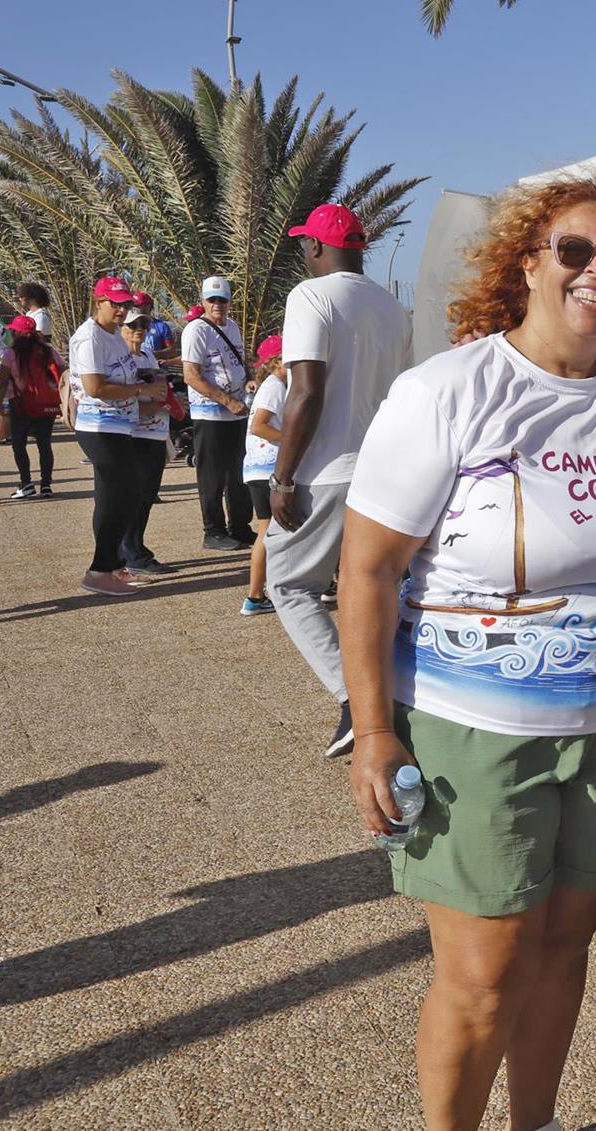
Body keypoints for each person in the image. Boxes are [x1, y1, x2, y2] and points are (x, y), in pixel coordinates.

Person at [340, 173, 596, 1131]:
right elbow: (365, 573)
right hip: (475, 729)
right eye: (574, 251)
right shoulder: (449, 390)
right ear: (529, 261)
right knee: (484, 973)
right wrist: (373, 730)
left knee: (568, 944)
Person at [268, 203, 413, 760]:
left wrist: (282, 479)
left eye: (304, 244)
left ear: (316, 249)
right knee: (370, 586)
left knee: (289, 584)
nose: (303, 253)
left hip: (325, 471)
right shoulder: (392, 306)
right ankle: (392, 697)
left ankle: (357, 699)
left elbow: (306, 390)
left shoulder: (311, 296)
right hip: (381, 470)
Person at [70, 276, 169, 596]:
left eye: (126, 303)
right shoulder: (90, 338)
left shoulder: (112, 334)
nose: (122, 309)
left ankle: (110, 566)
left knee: (120, 496)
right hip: (99, 426)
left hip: (121, 425)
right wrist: (142, 389)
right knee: (121, 495)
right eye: (115, 303)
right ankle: (99, 571)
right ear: (98, 302)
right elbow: (95, 388)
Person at [182, 275, 255, 551]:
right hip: (210, 415)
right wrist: (226, 400)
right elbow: (191, 375)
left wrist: (248, 380)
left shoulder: (233, 327)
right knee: (212, 475)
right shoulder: (196, 330)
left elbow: (238, 362)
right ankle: (213, 530)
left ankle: (240, 525)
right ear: (203, 301)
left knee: (238, 473)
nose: (217, 305)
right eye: (212, 300)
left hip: (236, 413)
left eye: (222, 300)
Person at [118, 309, 175, 576]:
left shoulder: (147, 355)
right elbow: (121, 397)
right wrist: (156, 404)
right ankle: (129, 551)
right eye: (133, 324)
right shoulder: (120, 357)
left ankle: (135, 546)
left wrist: (170, 401)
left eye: (144, 323)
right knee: (134, 495)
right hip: (133, 434)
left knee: (147, 495)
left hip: (155, 433)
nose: (139, 328)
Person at [241, 336, 286, 616]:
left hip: (258, 468)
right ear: (276, 363)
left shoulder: (275, 386)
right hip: (266, 468)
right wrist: (294, 440)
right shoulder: (274, 387)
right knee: (268, 533)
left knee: (268, 533)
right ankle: (255, 595)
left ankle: (259, 594)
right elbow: (259, 426)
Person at [0, 314, 62, 497]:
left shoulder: (10, 353)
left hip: (20, 404)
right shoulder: (48, 350)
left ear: (16, 333)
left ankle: (26, 483)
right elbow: (62, 371)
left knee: (19, 445)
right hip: (45, 404)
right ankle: (46, 486)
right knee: (44, 444)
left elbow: (3, 382)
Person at [133, 291, 179, 365]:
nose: (137, 308)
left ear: (149, 306)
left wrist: (151, 355)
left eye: (140, 305)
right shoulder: (127, 327)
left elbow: (172, 351)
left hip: (156, 370)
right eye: (135, 306)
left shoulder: (161, 326)